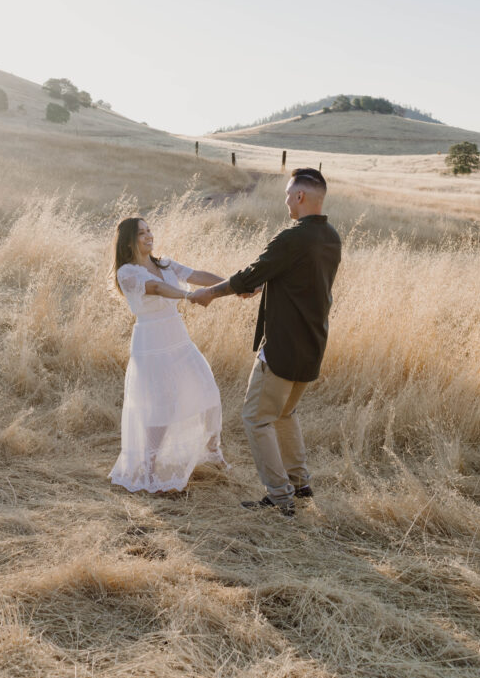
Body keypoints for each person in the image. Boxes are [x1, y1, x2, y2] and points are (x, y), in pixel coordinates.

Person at [188, 168, 341, 517]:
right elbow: (296, 278)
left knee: (256, 418)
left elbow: (251, 272)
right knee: (285, 414)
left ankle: (280, 497)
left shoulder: (293, 237)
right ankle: (300, 485)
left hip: (284, 344)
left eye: (289, 194)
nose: (286, 199)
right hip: (313, 341)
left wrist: (211, 293)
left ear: (300, 197)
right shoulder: (330, 236)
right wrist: (262, 284)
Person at [108, 217, 227, 493]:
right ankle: (149, 470)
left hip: (178, 339)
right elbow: (157, 288)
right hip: (152, 342)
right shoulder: (127, 272)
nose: (149, 235)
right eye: (142, 233)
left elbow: (196, 275)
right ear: (129, 241)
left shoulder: (165, 264)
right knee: (161, 404)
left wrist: (232, 285)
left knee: (209, 391)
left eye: (150, 230)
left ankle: (212, 452)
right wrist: (187, 297)